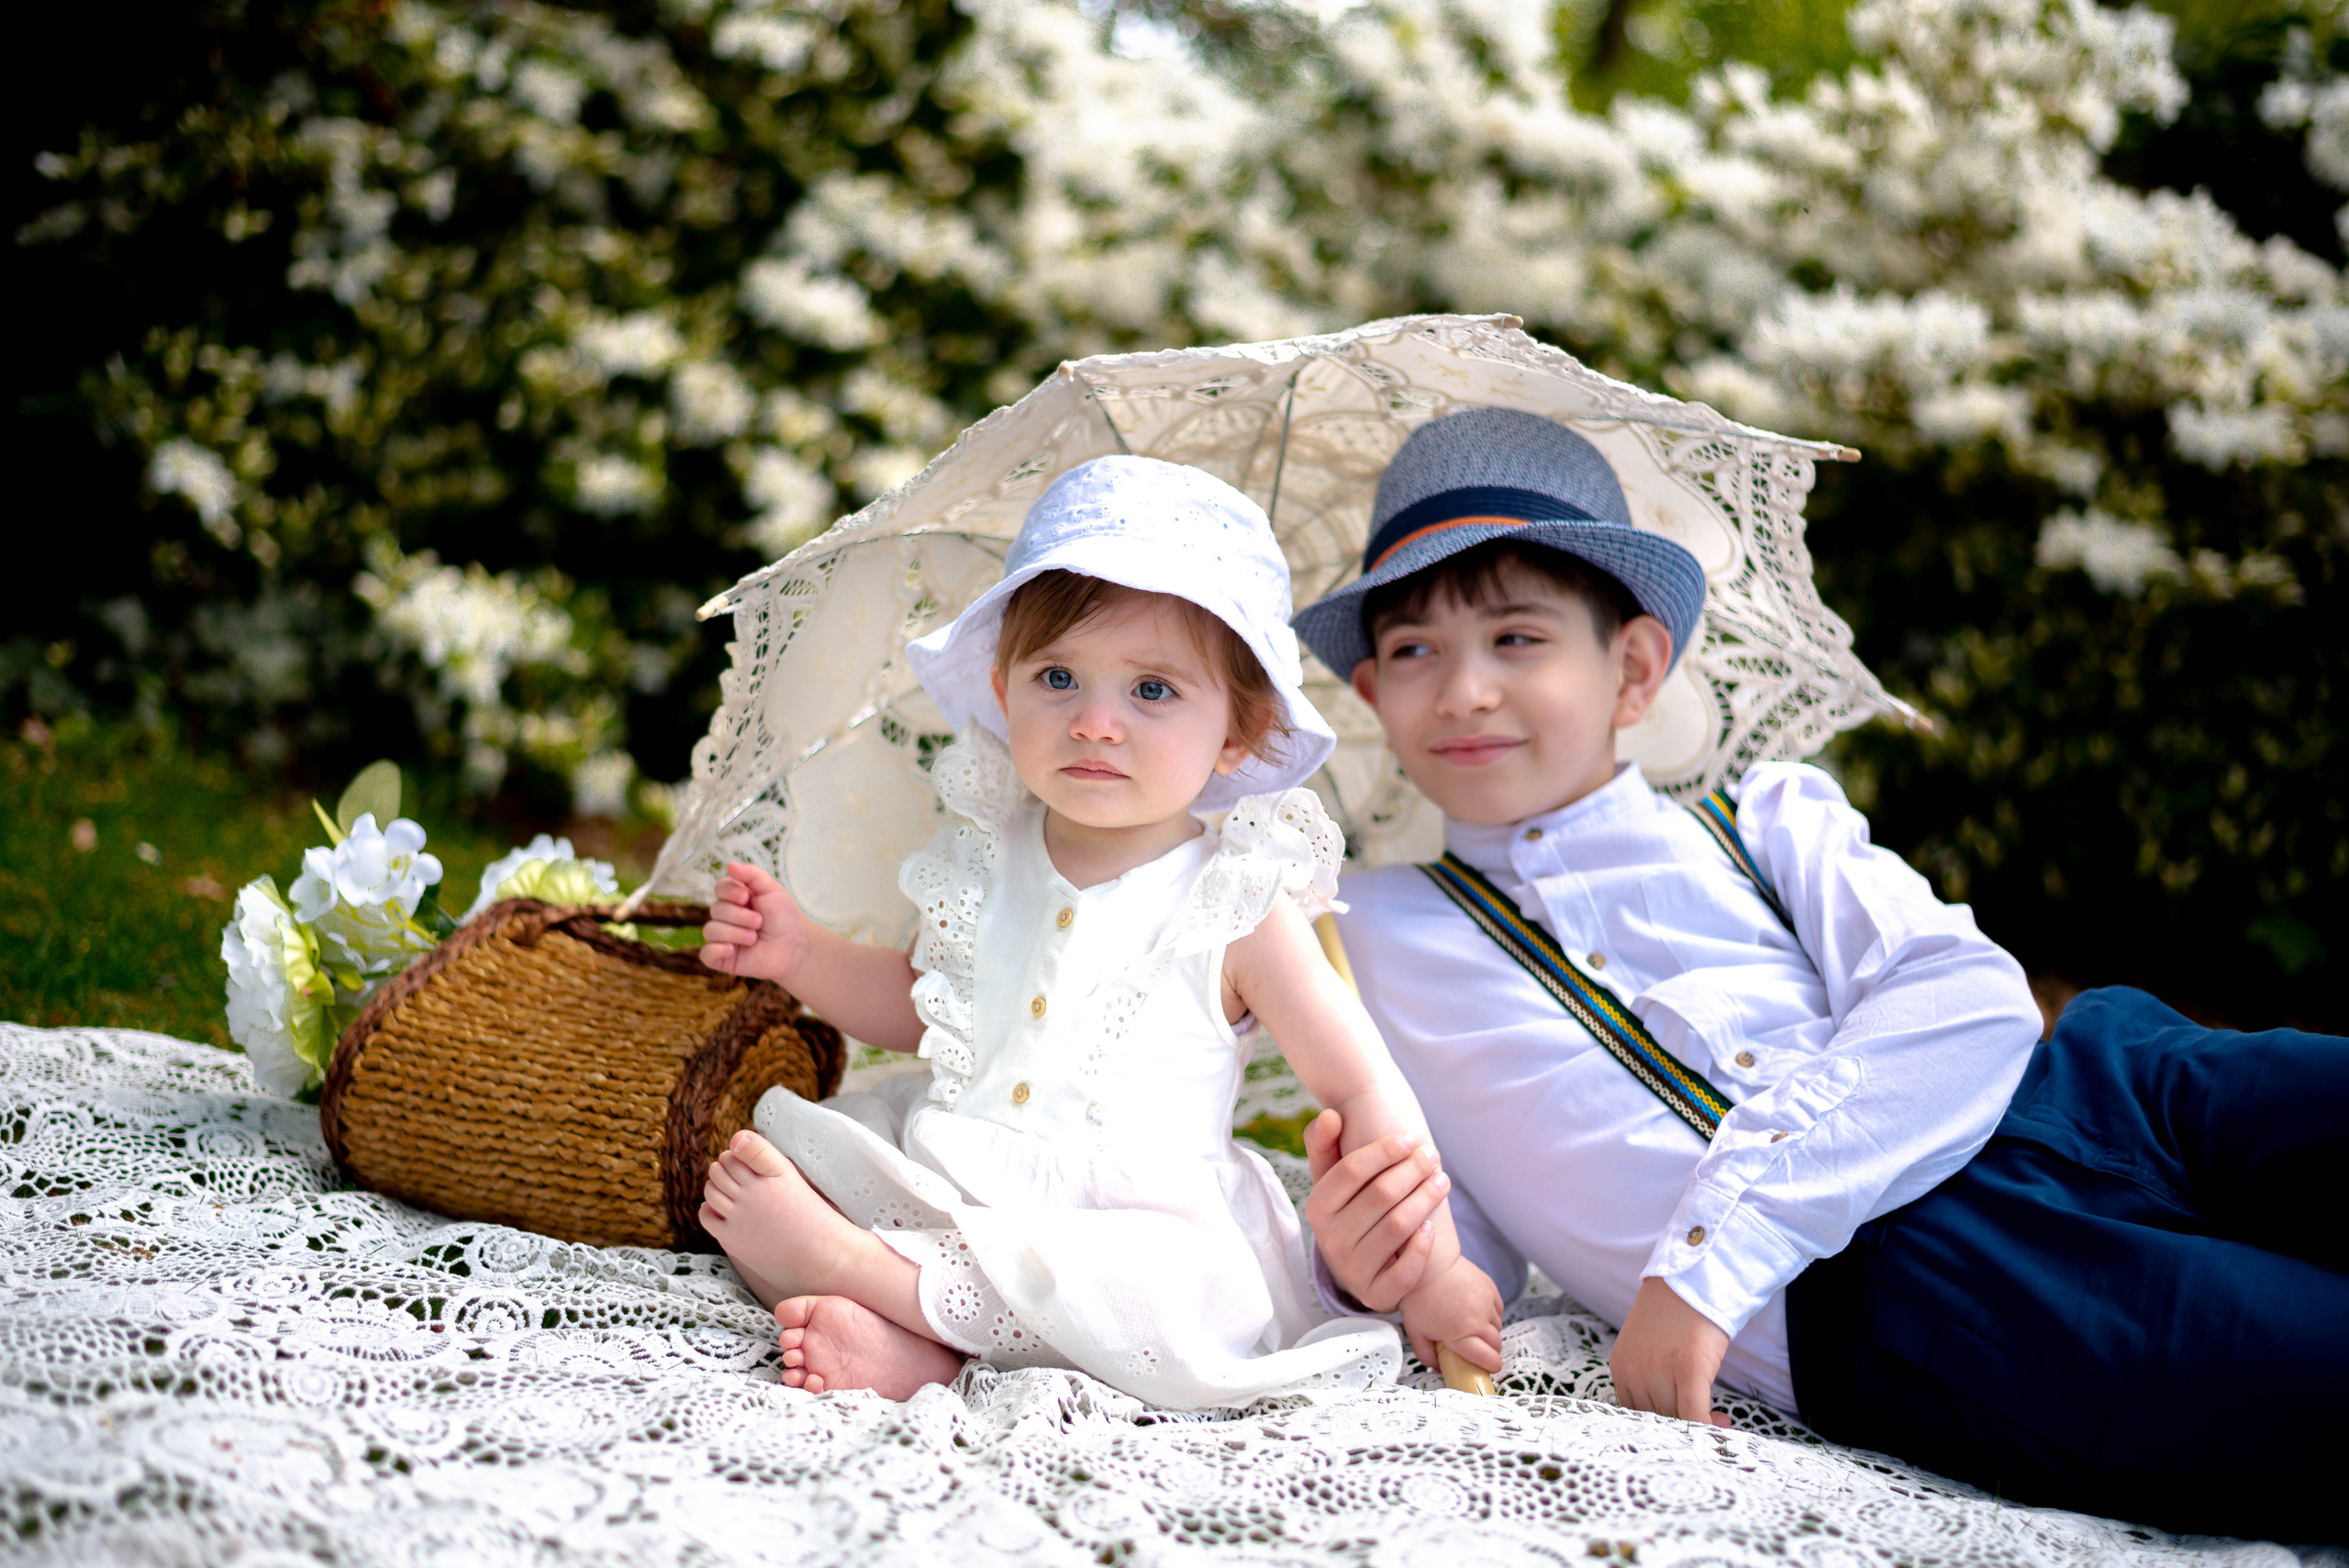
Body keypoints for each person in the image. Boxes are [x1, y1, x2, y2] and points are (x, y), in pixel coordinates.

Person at [1287, 406, 2347, 1540]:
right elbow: (1472, 1245)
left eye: (1517, 637)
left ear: (1634, 668)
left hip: (2097, 1084)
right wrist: (1365, 1264)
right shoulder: (1364, 939)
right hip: (1922, 1283)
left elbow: (1961, 994)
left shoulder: (1762, 814)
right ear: (1370, 699)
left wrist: (1706, 1263)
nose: (1463, 691)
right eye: (1411, 651)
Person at [695, 454, 1503, 1408]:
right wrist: (800, 954)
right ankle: (929, 1348)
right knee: (784, 1166)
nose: (1094, 722)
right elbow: (926, 1006)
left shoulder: (1240, 899)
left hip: (1133, 1216)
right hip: (966, 1168)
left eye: (1152, 690)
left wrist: (1435, 1263)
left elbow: (1362, 1086)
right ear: (1002, 690)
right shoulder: (987, 851)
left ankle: (864, 1275)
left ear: (1237, 735)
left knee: (1150, 1294)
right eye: (1059, 677)